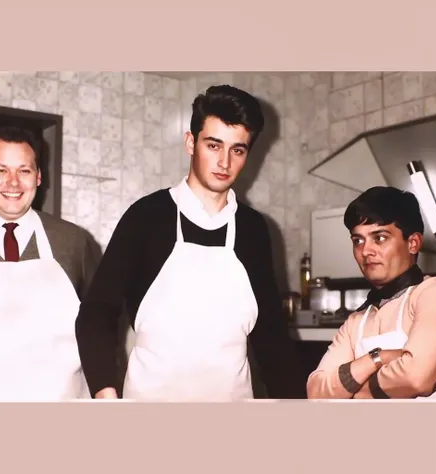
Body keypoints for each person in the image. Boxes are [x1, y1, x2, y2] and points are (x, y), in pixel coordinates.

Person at [75, 84, 305, 401]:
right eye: (214, 145)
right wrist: (104, 390)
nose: (224, 161)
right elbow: (96, 313)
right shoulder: (147, 217)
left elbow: (271, 337)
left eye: (237, 149)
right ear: (190, 142)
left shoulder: (253, 229)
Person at [0, 125, 101, 401]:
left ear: (39, 177)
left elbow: (100, 324)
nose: (13, 183)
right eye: (1, 170)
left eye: (24, 171)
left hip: (64, 410)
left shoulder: (73, 241)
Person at [307, 186, 436, 399]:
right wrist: (377, 358)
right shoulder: (356, 320)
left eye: (379, 238)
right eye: (358, 240)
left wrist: (354, 391)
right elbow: (317, 391)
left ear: (413, 243)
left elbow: (416, 378)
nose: (365, 251)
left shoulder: (433, 293)